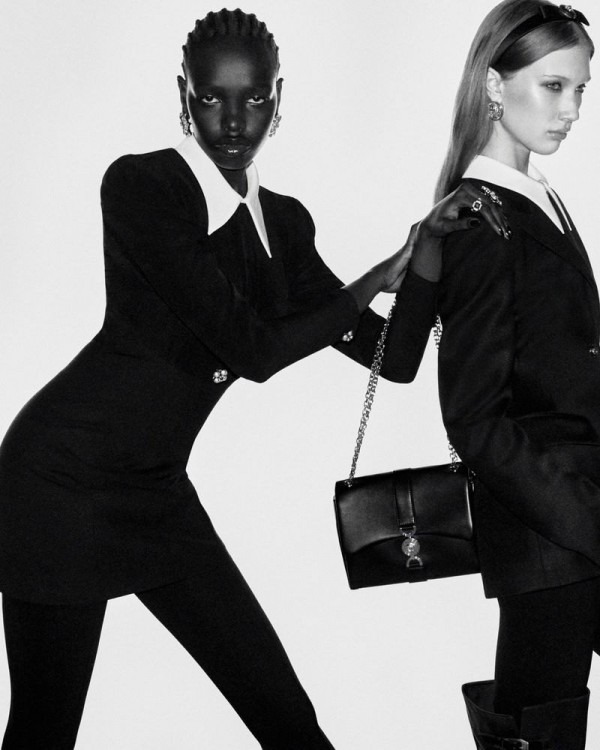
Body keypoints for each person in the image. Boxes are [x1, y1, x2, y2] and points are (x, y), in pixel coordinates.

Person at [0, 9, 505, 749]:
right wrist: (375, 276)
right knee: (44, 731)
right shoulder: (144, 188)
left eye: (254, 98)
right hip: (57, 487)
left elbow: (391, 360)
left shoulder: (283, 227)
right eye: (211, 98)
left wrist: (427, 248)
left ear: (278, 98)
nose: (234, 121)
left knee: (285, 718)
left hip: (156, 494)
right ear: (184, 96)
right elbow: (254, 349)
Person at [435, 1, 598, 748]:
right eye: (553, 86)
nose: (572, 110)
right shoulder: (479, 219)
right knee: (542, 729)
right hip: (548, 533)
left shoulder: (537, 197)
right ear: (495, 86)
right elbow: (474, 419)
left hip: (574, 522)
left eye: (580, 89)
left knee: (539, 724)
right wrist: (583, 517)